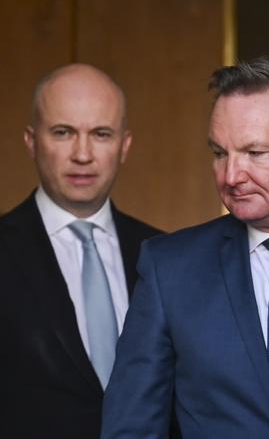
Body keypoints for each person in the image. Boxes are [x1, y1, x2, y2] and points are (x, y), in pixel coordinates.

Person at [101, 56, 269, 438]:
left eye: (255, 153)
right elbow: (132, 426)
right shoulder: (171, 269)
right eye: (219, 153)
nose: (231, 176)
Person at [0, 63, 161, 438]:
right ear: (31, 141)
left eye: (101, 134)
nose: (83, 154)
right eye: (63, 132)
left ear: (124, 146)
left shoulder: (165, 255)